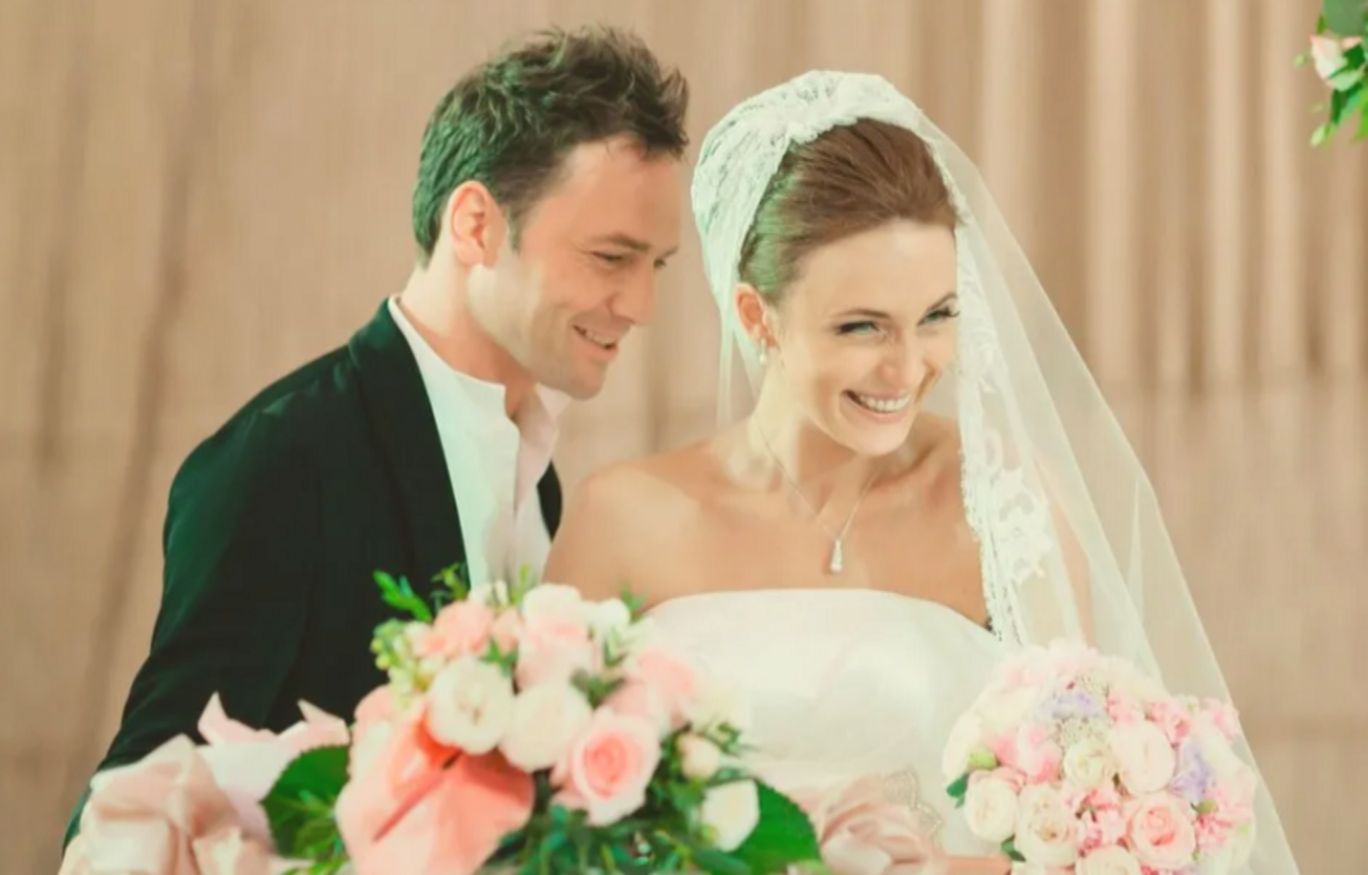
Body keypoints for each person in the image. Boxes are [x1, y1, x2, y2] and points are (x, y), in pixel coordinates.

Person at [546, 71, 1299, 873]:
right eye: (862, 327)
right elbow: (537, 824)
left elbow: (1080, 830)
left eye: (937, 316)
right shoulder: (621, 517)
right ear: (756, 315)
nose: (907, 369)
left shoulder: (1002, 504)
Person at [63, 25, 687, 850]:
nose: (641, 305)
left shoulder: (539, 479)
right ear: (475, 224)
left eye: (656, 266)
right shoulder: (285, 461)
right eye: (611, 257)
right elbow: (129, 818)